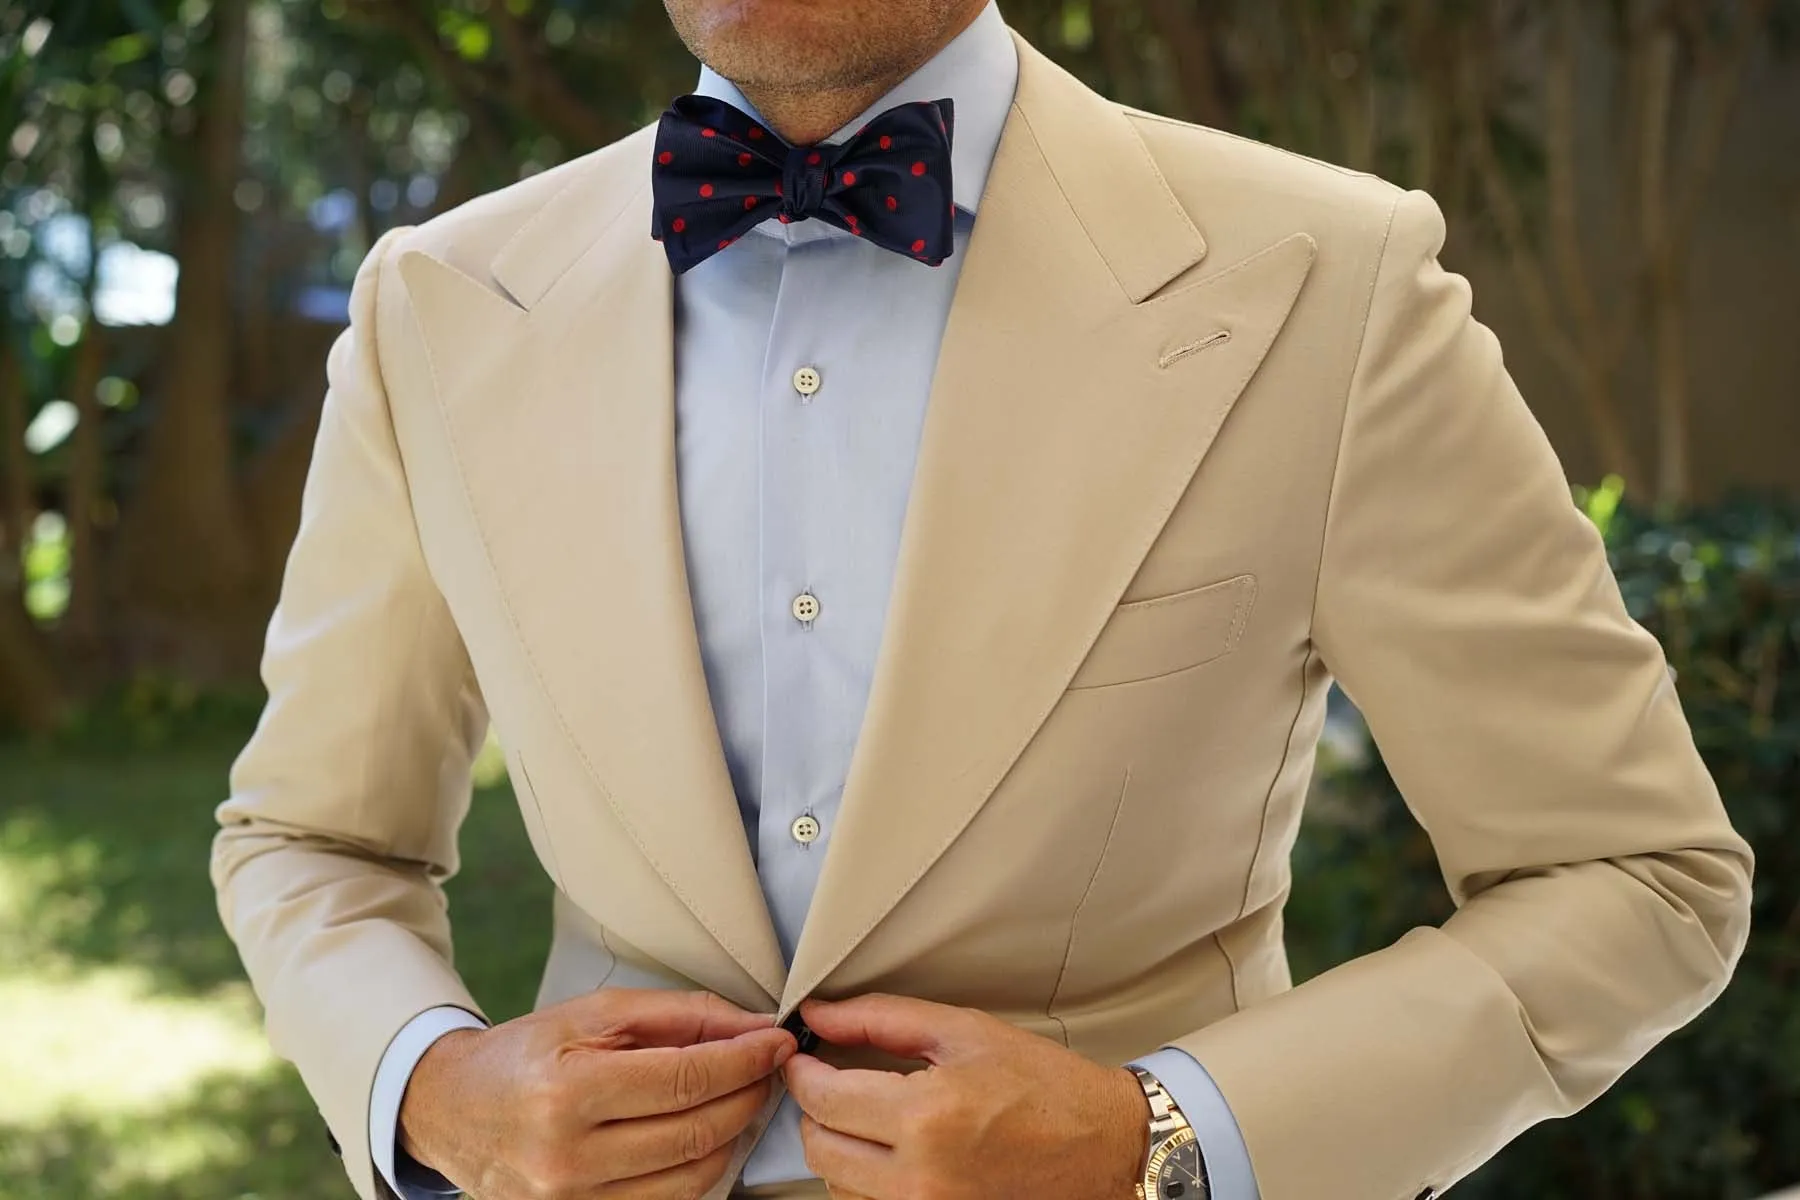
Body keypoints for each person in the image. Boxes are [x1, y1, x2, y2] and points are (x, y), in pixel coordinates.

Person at [210, 0, 1754, 1197]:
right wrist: (429, 1088)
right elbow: (310, 839)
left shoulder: (1328, 285)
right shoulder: (441, 304)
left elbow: (1636, 875)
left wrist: (1165, 1140)